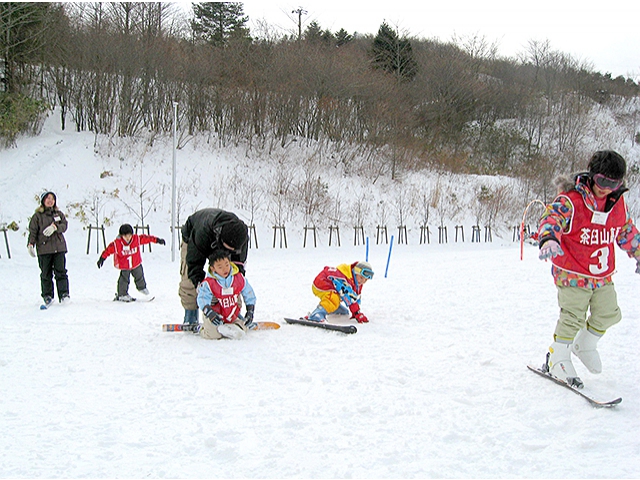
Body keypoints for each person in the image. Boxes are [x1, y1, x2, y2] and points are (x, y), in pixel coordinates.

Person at [537, 150, 640, 388]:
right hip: (572, 272)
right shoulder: (572, 199)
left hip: (601, 274)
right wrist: (549, 238)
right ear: (592, 176)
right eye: (602, 181)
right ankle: (558, 357)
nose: (606, 188)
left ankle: (585, 344)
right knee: (573, 316)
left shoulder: (617, 203)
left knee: (609, 313)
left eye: (614, 184)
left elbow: (625, 231)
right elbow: (551, 218)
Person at [179, 208, 248, 325]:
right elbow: (194, 264)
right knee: (188, 278)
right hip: (193, 237)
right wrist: (201, 287)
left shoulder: (241, 236)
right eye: (227, 249)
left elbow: (238, 270)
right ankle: (190, 314)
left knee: (231, 277)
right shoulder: (202, 232)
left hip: (221, 238)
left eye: (232, 251)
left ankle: (231, 312)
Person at [196, 249, 256, 340]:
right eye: (220, 267)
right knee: (213, 335)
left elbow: (249, 293)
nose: (225, 269)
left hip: (231, 314)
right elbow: (202, 298)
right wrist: (209, 312)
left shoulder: (238, 278)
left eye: (227, 265)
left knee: (241, 331)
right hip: (214, 315)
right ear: (213, 268)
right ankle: (201, 329)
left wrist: (250, 310)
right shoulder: (209, 283)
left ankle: (238, 325)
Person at [97, 223, 166, 302]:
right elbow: (108, 250)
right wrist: (102, 258)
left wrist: (157, 240)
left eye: (129, 236)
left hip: (136, 263)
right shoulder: (117, 244)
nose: (127, 238)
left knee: (139, 275)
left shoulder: (136, 239)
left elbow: (147, 238)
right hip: (125, 265)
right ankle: (122, 294)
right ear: (121, 235)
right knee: (124, 279)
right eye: (125, 236)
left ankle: (142, 288)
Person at [27, 191, 70, 307]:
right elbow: (33, 231)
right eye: (47, 198)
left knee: (61, 272)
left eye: (52, 198)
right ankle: (47, 296)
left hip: (59, 248)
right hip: (44, 249)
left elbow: (64, 225)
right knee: (46, 274)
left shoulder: (58, 214)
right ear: (43, 201)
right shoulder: (37, 216)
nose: (50, 201)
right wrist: (31, 244)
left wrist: (55, 227)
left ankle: (64, 294)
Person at [306, 261, 374, 323]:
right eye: (361, 278)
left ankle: (333, 309)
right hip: (322, 283)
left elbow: (354, 298)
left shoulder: (356, 283)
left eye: (365, 280)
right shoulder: (344, 278)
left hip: (330, 286)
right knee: (333, 298)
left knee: (343, 312)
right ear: (355, 272)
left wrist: (355, 312)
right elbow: (349, 296)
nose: (362, 281)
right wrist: (357, 313)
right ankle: (317, 314)